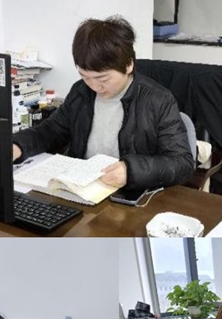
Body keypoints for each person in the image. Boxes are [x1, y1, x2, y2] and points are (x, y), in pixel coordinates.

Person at [12, 15, 195, 190]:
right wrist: (18, 146)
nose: (94, 86)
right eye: (85, 77)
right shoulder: (81, 92)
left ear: (128, 65)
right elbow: (51, 131)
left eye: (103, 79)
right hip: (81, 187)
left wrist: (130, 170)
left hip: (129, 192)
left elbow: (182, 163)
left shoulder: (158, 100)